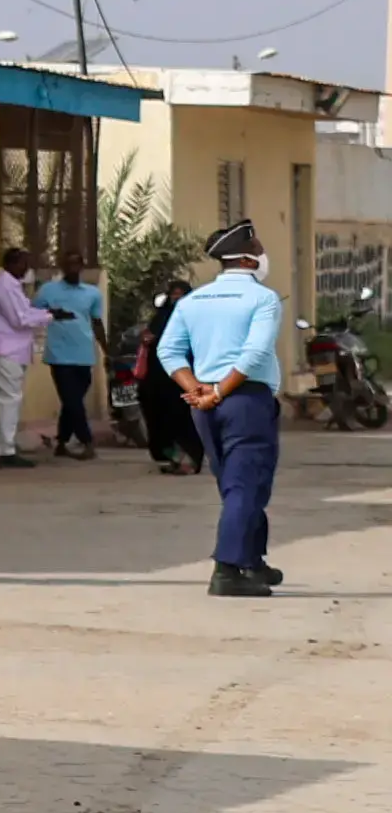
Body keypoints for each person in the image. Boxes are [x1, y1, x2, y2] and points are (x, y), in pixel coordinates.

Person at [164, 219, 289, 595]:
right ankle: (228, 569)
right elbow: (254, 353)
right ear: (249, 260)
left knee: (236, 484)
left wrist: (199, 391)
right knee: (246, 485)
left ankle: (252, 561)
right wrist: (218, 391)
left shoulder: (192, 300)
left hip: (204, 404)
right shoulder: (262, 299)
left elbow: (168, 350)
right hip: (244, 399)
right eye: (260, 251)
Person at [0, 248, 48, 465]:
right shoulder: (4, 286)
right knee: (9, 399)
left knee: (10, 398)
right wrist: (50, 317)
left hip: (11, 350)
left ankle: (6, 447)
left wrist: (48, 314)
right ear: (12, 264)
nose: (27, 269)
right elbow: (20, 319)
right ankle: (5, 451)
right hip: (3, 349)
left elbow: (26, 312)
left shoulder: (12, 286)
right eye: (24, 264)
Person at [130, 276, 202, 474]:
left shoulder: (195, 318)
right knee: (158, 415)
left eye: (181, 295)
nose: (176, 299)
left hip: (184, 377)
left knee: (184, 418)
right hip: (158, 378)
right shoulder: (160, 316)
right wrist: (148, 339)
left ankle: (190, 459)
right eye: (173, 295)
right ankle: (169, 456)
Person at [40, 259, 105, 457]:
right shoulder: (48, 290)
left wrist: (106, 349)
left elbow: (96, 321)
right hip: (59, 354)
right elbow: (31, 313)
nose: (73, 267)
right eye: (70, 263)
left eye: (77, 264)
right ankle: (86, 441)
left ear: (82, 267)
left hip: (84, 354)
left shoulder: (92, 293)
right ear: (63, 266)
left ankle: (61, 441)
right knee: (72, 399)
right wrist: (53, 314)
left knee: (73, 400)